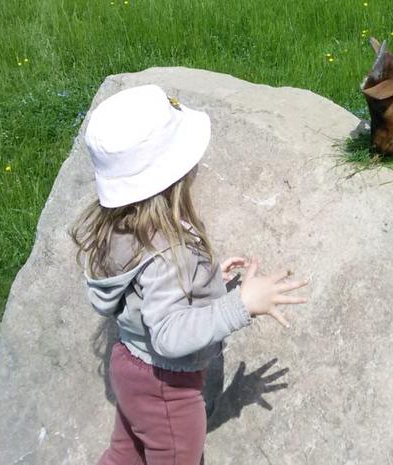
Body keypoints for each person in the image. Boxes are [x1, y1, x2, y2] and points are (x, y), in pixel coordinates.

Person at [72, 84, 308, 465]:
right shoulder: (170, 254)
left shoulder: (122, 230)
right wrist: (240, 305)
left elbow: (148, 287)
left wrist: (205, 276)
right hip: (167, 386)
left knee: (125, 452)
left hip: (128, 366)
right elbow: (167, 335)